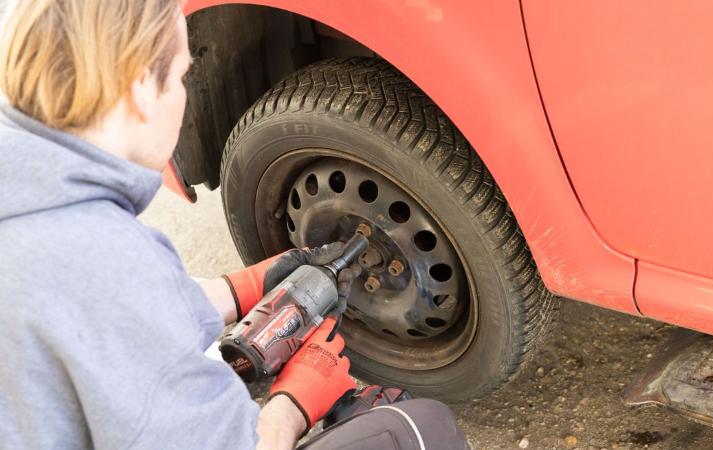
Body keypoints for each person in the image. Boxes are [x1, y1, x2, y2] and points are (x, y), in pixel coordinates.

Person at [0, 1, 468, 449]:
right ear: (141, 89)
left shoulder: (41, 215)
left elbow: (97, 316)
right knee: (421, 429)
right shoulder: (113, 265)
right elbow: (115, 305)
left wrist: (241, 288)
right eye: (183, 76)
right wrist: (294, 403)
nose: (185, 93)